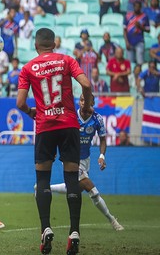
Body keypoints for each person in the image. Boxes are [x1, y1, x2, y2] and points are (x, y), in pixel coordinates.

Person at [16, 27, 93, 255]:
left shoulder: (28, 68)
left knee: (43, 179)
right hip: (69, 125)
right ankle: (75, 231)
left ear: (36, 44)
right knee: (72, 178)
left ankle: (46, 228)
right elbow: (86, 85)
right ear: (54, 43)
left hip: (45, 127)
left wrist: (32, 111)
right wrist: (87, 106)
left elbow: (20, 103)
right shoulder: (67, 60)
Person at [49, 94, 124, 231]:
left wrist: (102, 155)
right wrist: (54, 149)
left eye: (87, 100)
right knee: (93, 191)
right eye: (82, 100)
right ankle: (112, 220)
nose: (84, 102)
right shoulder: (71, 116)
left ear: (93, 103)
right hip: (70, 158)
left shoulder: (97, 119)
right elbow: (58, 133)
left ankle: (45, 188)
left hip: (85, 159)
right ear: (79, 102)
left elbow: (102, 139)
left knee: (74, 188)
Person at [124, 1, 150, 66]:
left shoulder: (144, 16)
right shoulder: (128, 16)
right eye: (135, 6)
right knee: (130, 63)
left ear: (140, 7)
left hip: (139, 41)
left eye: (138, 7)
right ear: (133, 7)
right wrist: (126, 42)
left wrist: (140, 27)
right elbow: (124, 30)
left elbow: (148, 30)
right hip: (129, 42)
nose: (137, 8)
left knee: (140, 62)